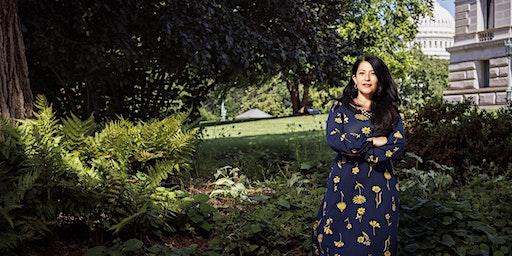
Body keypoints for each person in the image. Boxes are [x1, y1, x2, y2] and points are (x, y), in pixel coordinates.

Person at [311, 55, 406, 256]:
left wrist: (360, 146)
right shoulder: (340, 109)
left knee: (379, 238)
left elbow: (397, 145)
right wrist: (373, 140)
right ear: (354, 78)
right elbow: (336, 141)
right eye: (362, 73)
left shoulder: (390, 111)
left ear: (380, 79)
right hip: (344, 183)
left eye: (373, 73)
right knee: (341, 237)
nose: (367, 78)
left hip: (381, 185)